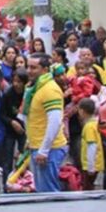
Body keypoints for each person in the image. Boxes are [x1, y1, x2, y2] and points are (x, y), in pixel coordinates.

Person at [24, 53, 68, 192]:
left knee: (48, 195)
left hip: (49, 150)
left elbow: (55, 121)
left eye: (33, 67)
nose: (29, 71)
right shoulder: (35, 87)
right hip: (38, 146)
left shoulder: (50, 89)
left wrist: (44, 150)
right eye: (28, 67)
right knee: (42, 192)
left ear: (44, 69)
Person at [0, 68, 28, 182]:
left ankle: (24, 182)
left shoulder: (28, 93)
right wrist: (12, 122)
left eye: (19, 82)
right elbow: (2, 114)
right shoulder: (8, 94)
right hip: (10, 130)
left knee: (24, 158)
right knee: (7, 159)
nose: (16, 84)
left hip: (24, 130)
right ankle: (7, 184)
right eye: (14, 81)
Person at [78, 98, 103, 191]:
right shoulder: (95, 124)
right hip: (94, 164)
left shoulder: (88, 127)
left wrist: (90, 167)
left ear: (82, 111)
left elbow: (92, 146)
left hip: (90, 165)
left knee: (87, 189)